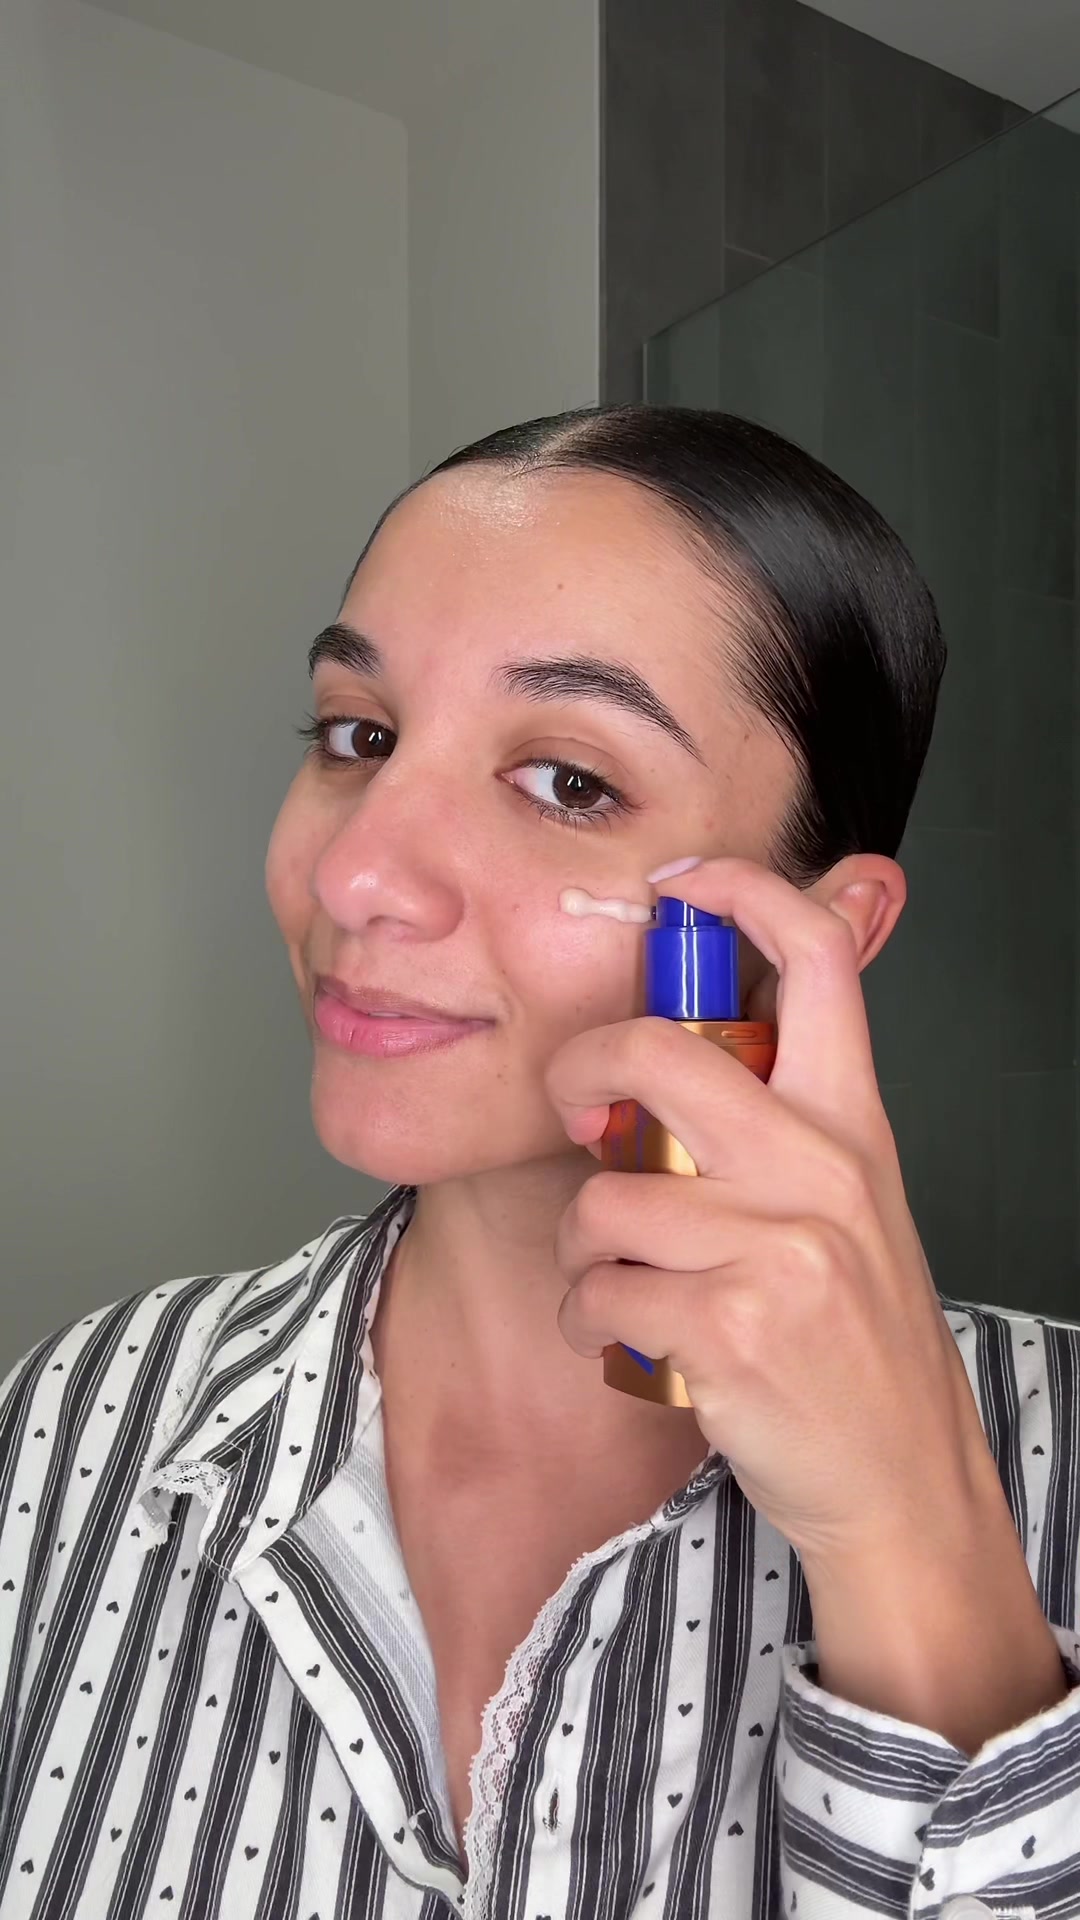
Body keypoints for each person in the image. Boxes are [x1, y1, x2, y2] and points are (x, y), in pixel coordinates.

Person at [1, 406, 1078, 1920]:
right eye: (359, 736)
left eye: (569, 780)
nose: (357, 874)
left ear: (826, 933)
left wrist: (912, 1544)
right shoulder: (70, 1423)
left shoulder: (1059, 1452)